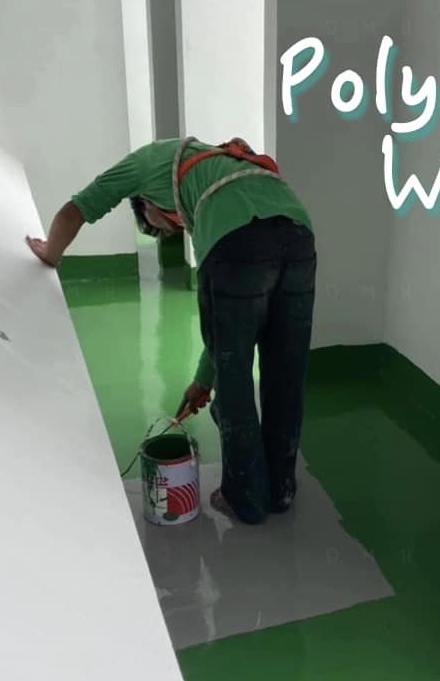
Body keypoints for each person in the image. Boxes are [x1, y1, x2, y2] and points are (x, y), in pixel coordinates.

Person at [25, 137, 316, 526]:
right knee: (286, 373)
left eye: (164, 226)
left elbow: (75, 210)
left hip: (237, 242)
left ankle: (245, 499)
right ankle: (280, 489)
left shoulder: (146, 162)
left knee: (235, 383)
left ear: (146, 204)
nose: (176, 226)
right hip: (298, 233)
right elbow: (222, 339)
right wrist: (201, 382)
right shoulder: (214, 164)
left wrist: (50, 253)